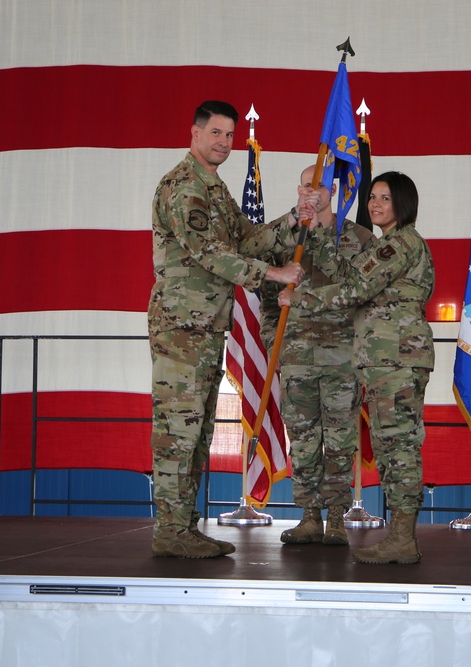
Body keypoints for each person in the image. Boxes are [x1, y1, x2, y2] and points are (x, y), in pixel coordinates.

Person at [149, 100, 306, 559]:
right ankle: (169, 529)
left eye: (229, 136)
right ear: (195, 133)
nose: (223, 143)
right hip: (181, 325)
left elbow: (247, 239)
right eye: (215, 133)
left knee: (196, 432)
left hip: (202, 327)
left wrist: (296, 217)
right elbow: (211, 254)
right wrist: (272, 275)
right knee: (178, 429)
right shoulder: (184, 189)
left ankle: (182, 526)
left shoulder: (213, 190)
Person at [279, 171, 434, 564]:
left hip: (395, 358)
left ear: (403, 203)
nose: (375, 204)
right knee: (391, 445)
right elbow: (349, 275)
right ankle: (401, 538)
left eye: (385, 198)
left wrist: (298, 298)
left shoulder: (397, 245)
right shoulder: (391, 244)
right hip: (387, 358)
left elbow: (354, 290)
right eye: (372, 198)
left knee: (398, 447)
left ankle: (403, 540)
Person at [260, 165, 375, 546]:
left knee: (341, 440)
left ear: (336, 191)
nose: (314, 191)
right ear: (299, 189)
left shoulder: (358, 238)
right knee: (304, 439)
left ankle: (338, 517)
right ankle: (309, 515)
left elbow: (366, 297)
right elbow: (267, 296)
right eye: (308, 184)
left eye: (322, 185)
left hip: (342, 357)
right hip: (296, 357)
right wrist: (272, 344)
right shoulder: (287, 238)